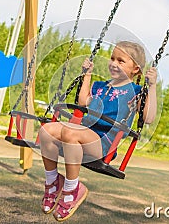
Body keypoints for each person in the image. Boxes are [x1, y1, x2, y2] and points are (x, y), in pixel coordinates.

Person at [38, 41, 158, 221]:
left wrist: (152, 86)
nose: (114, 63)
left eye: (121, 60)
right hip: (83, 133)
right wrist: (86, 75)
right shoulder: (100, 86)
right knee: (46, 130)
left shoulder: (136, 92)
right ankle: (53, 182)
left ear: (136, 70)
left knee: (71, 133)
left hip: (103, 144)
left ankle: (72, 189)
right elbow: (83, 102)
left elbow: (148, 118)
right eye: (112, 58)